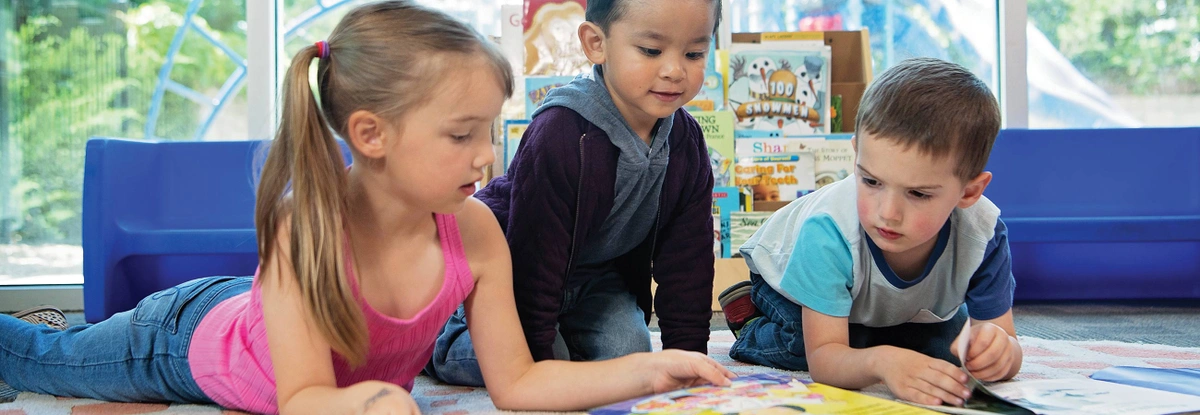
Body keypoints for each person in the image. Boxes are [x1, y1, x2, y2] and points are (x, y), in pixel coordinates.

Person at [0, 2, 735, 414]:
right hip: (188, 343)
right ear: (371, 135)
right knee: (43, 359)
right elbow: (304, 397)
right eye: (461, 135)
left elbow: (519, 382)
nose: (489, 157)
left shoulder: (476, 231)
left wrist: (657, 368)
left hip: (252, 316)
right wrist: (378, 402)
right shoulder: (308, 228)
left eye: (488, 130)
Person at [426, 0, 722, 387]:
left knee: (632, 351)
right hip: (512, 273)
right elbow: (534, 258)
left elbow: (687, 260)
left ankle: (563, 346)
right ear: (595, 43)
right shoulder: (561, 133)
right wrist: (538, 370)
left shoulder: (686, 141)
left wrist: (691, 360)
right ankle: (442, 343)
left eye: (694, 53)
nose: (673, 70)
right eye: (651, 51)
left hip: (596, 279)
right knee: (539, 358)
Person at [717, 57, 1023, 407]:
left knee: (947, 348)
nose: (887, 213)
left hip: (883, 302)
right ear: (856, 156)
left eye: (918, 194)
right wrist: (881, 362)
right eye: (872, 181)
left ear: (969, 192)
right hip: (783, 277)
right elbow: (825, 361)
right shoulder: (829, 231)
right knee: (813, 346)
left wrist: (999, 352)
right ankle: (749, 321)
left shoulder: (984, 235)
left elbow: (1005, 339)